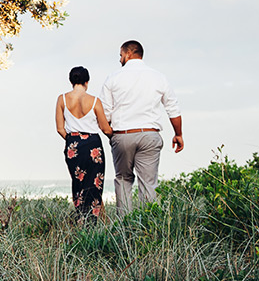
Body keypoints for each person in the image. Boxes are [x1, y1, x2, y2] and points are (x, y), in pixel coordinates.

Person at [100, 40, 183, 218]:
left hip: (123, 135)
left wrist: (112, 136)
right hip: (149, 134)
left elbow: (104, 114)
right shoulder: (159, 77)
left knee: (123, 179)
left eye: (121, 55)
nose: (120, 59)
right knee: (148, 183)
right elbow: (173, 109)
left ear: (128, 54)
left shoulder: (113, 78)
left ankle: (125, 226)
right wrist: (178, 134)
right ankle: (148, 227)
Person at [55, 65, 113, 222]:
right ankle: (92, 222)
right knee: (95, 184)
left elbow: (60, 129)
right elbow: (105, 128)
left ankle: (80, 216)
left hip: (73, 144)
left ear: (71, 81)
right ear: (87, 81)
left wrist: (73, 140)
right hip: (93, 144)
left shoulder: (62, 99)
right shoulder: (94, 101)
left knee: (78, 182)